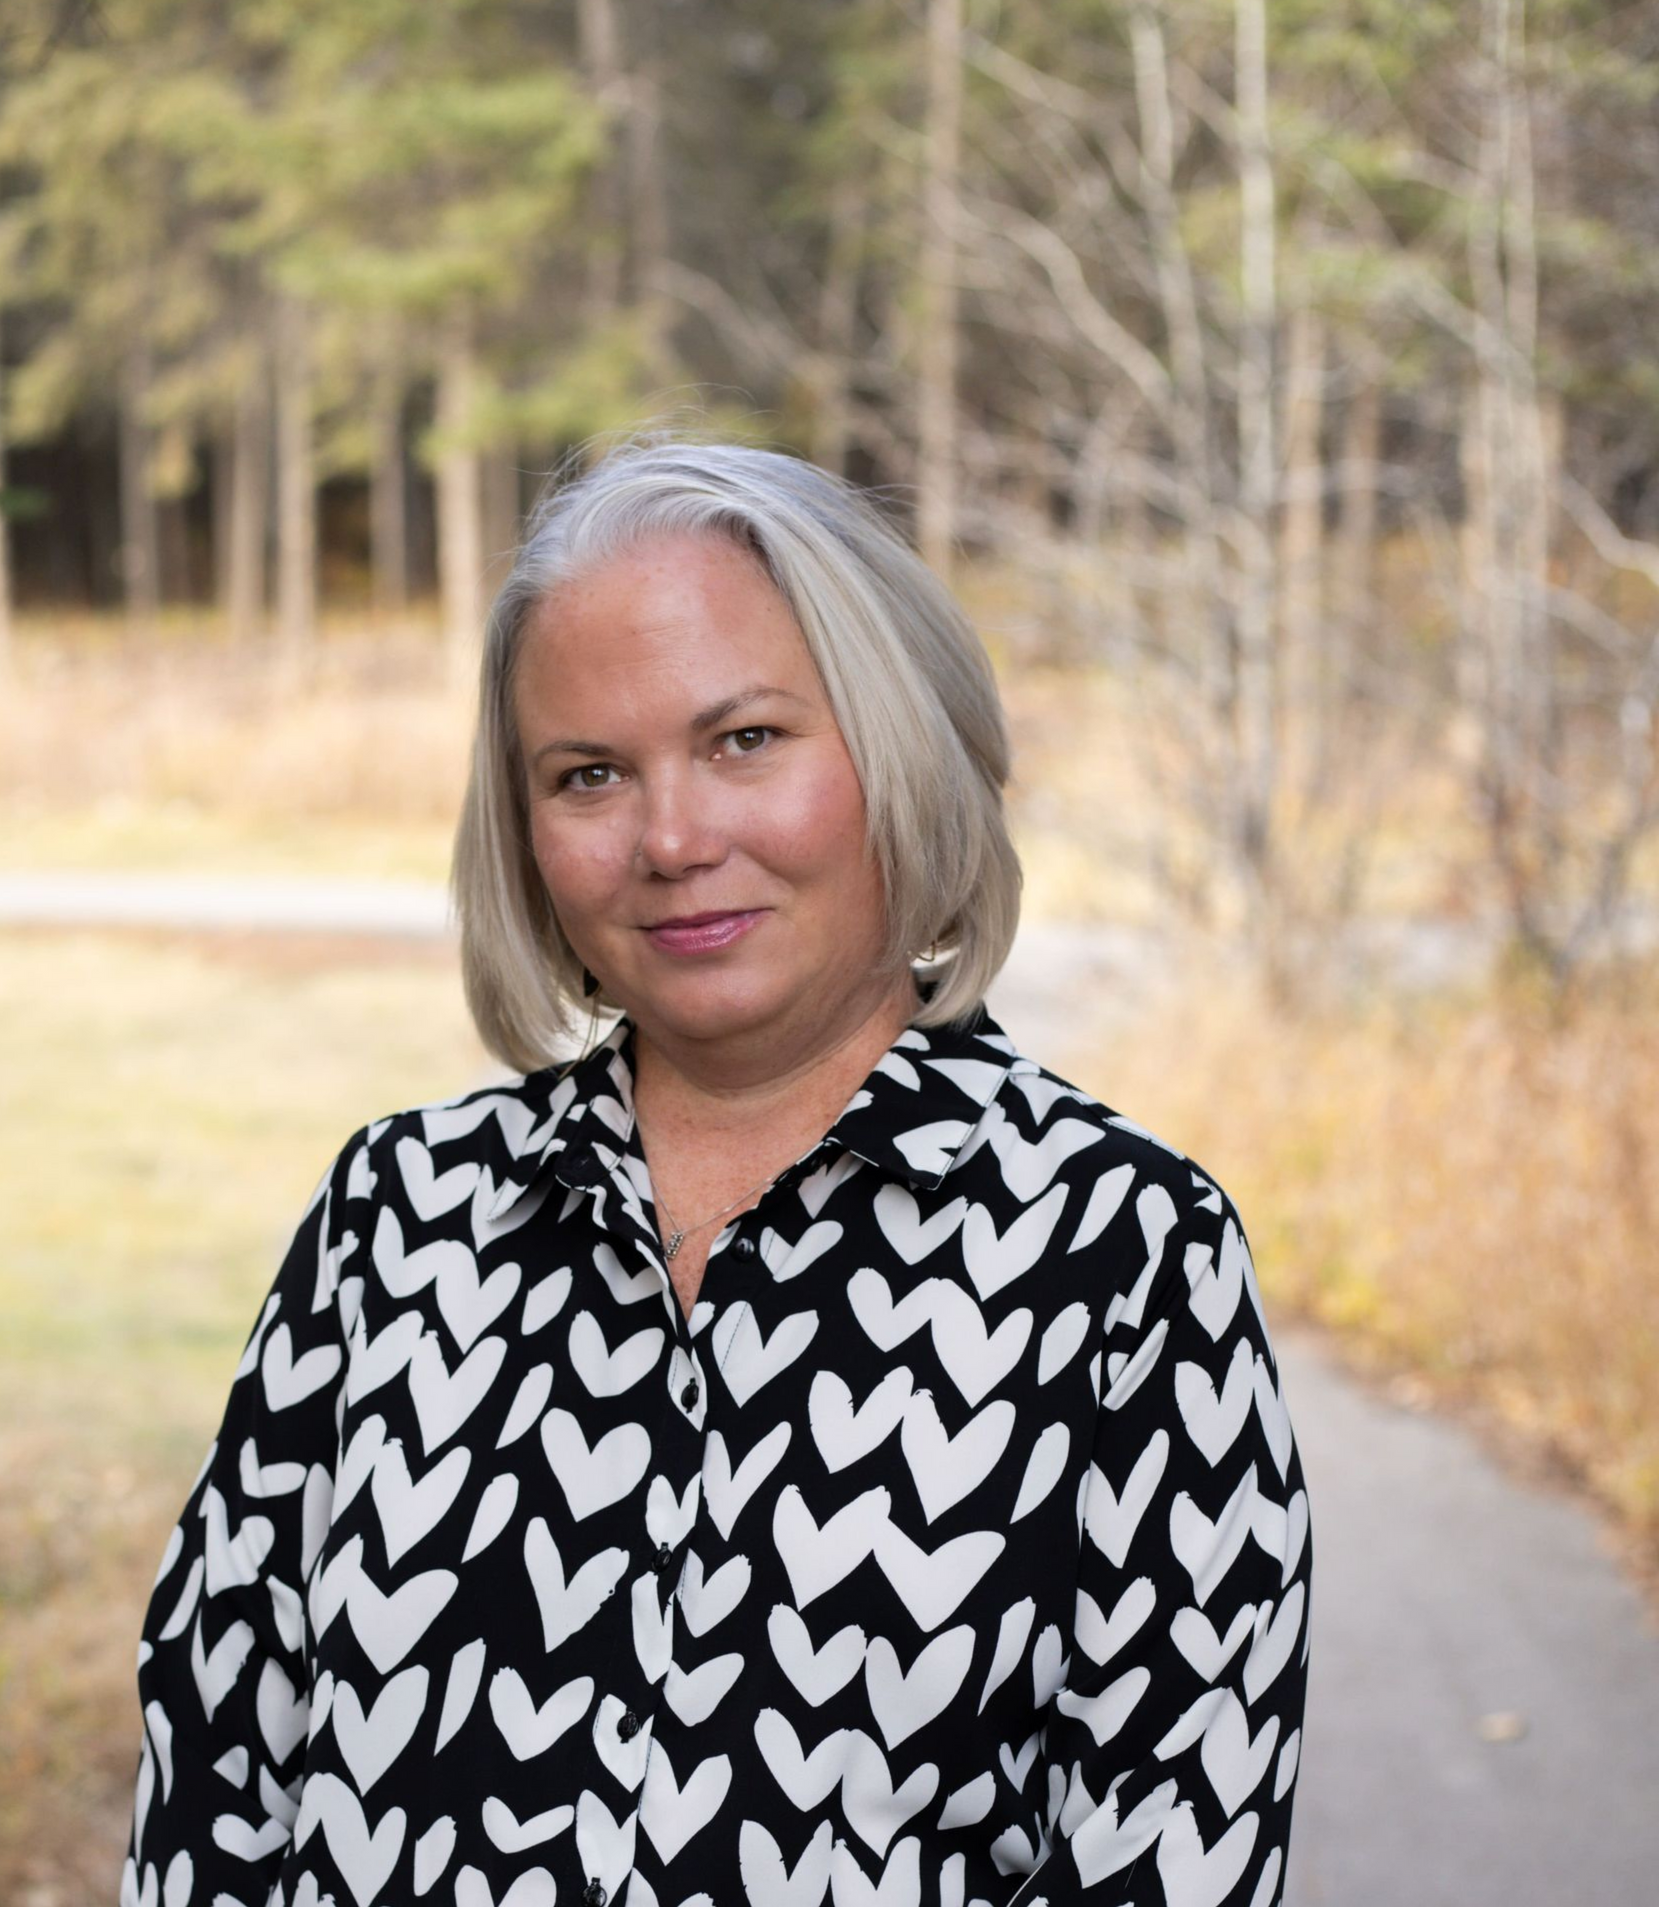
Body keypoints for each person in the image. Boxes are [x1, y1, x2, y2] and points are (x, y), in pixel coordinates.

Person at [117, 434, 1312, 1907]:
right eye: (589, 774)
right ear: (525, 829)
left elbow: (1166, 1863)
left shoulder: (1122, 1257)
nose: (672, 839)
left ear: (901, 746)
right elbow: (215, 1780)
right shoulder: (398, 1220)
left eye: (744, 740)